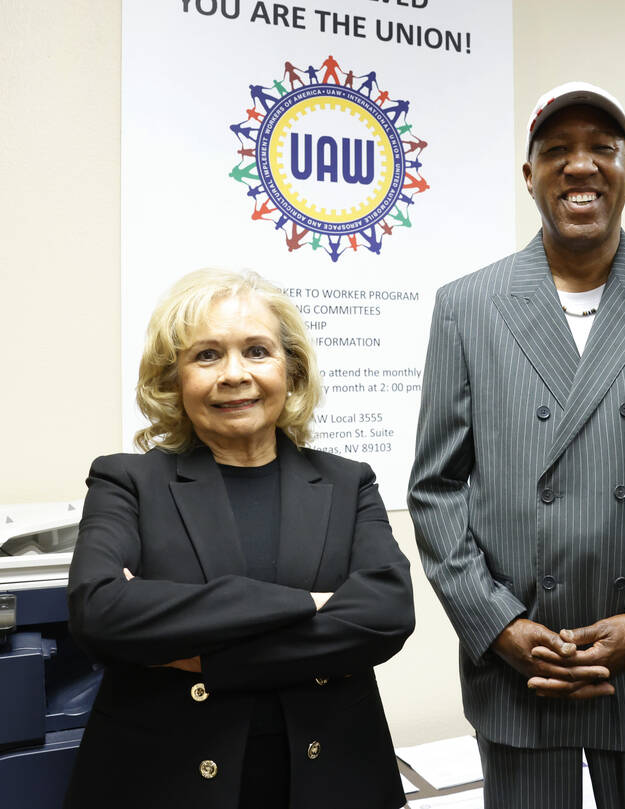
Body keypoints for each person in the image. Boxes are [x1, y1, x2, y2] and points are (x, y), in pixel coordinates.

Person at [408, 81, 625, 809]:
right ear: (529, 173)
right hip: (520, 664)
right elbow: (436, 489)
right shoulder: (468, 306)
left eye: (602, 148)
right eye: (557, 150)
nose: (580, 165)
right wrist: (498, 624)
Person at [66, 269, 415, 809]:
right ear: (173, 378)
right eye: (206, 355)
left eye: (257, 351)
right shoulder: (126, 481)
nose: (234, 374)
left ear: (291, 371)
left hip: (334, 777)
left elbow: (387, 614)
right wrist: (311, 604)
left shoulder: (348, 482)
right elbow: (100, 612)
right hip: (164, 781)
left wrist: (208, 660)